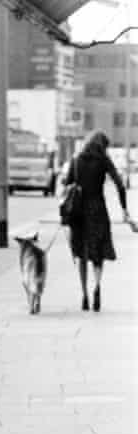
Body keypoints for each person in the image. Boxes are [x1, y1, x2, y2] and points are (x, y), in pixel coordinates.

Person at [63, 130, 130, 312]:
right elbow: (120, 184)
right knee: (98, 252)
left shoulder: (76, 160)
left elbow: (66, 182)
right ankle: (97, 286)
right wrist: (124, 209)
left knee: (82, 253)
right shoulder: (103, 160)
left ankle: (84, 294)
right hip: (98, 209)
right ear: (103, 146)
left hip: (78, 212)